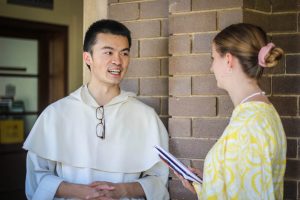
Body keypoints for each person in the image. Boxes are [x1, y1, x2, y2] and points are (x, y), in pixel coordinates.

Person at [23, 19, 169, 200]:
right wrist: (81, 192)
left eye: (124, 53)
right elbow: (36, 179)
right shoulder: (55, 114)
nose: (118, 61)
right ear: (88, 58)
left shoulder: (146, 117)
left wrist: (122, 190)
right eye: (108, 52)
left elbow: (158, 180)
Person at [175, 23, 286, 199]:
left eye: (213, 58)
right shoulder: (260, 114)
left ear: (228, 60)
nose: (211, 68)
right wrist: (209, 182)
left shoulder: (249, 125)